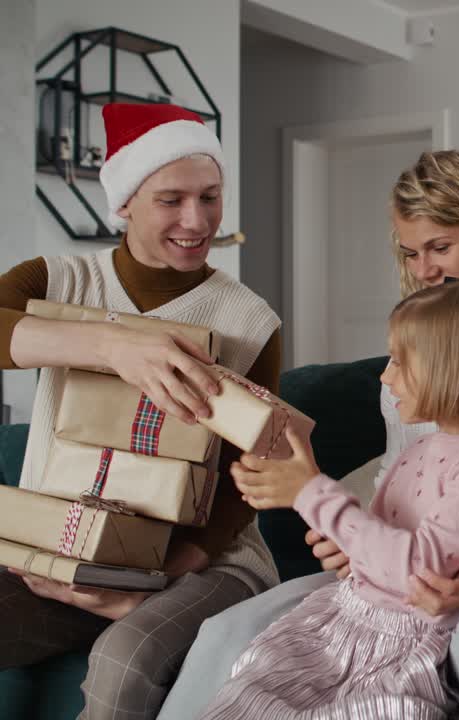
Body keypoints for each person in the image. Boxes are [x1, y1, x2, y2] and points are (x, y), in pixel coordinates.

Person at [162, 149, 459, 718]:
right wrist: (351, 538)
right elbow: (401, 486)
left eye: (440, 247)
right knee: (225, 638)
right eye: (410, 252)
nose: (423, 269)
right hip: (400, 575)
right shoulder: (415, 365)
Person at [0, 103, 283, 718]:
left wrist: (161, 577)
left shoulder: (249, 322)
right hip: (64, 542)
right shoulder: (56, 282)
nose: (197, 219)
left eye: (211, 196)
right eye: (171, 199)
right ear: (125, 201)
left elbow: (245, 484)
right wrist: (112, 345)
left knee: (124, 660)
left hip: (207, 561)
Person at [201, 280, 459, 718]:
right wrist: (316, 509)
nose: (385, 375)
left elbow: (419, 568)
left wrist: (310, 491)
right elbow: (376, 546)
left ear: (448, 366)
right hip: (343, 616)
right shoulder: (424, 447)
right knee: (251, 694)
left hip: (399, 640)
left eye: (399, 361)